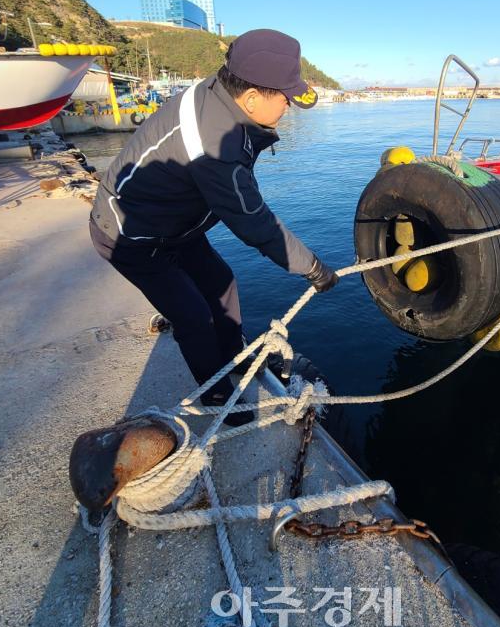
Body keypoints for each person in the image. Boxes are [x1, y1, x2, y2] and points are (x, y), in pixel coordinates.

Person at [89, 29, 338, 426]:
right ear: (253, 97)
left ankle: (231, 363)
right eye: (285, 99)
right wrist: (313, 268)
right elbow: (254, 221)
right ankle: (222, 400)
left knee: (222, 281)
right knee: (194, 316)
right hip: (130, 234)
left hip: (176, 226)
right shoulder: (214, 146)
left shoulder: (224, 96)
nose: (288, 108)